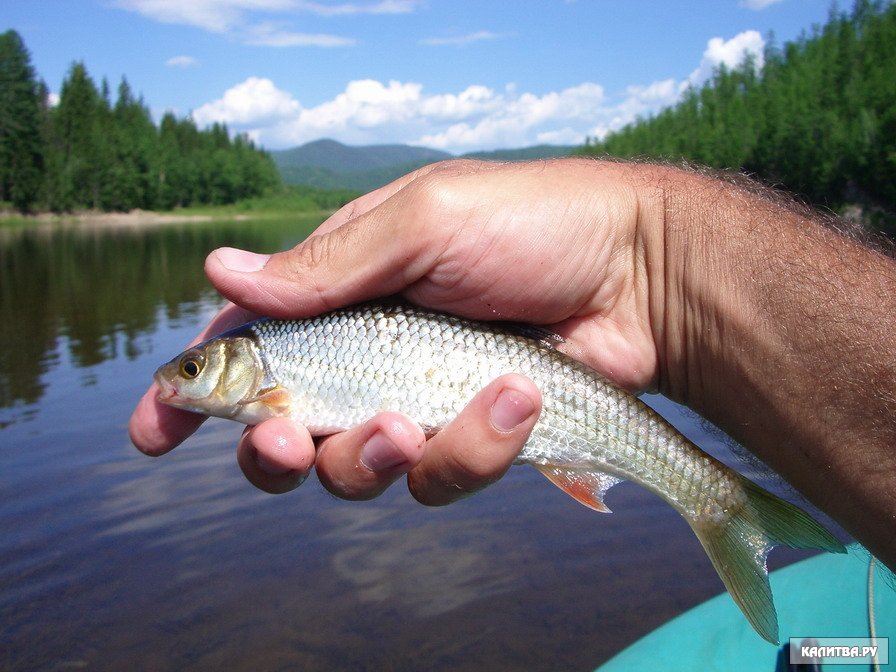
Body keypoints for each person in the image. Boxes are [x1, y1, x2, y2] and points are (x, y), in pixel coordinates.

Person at [129, 158, 896, 571]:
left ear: (236, 364)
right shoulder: (273, 360)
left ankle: (721, 504)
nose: (179, 381)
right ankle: (719, 504)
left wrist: (645, 260)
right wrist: (646, 265)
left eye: (193, 373)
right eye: (190, 374)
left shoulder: (272, 365)